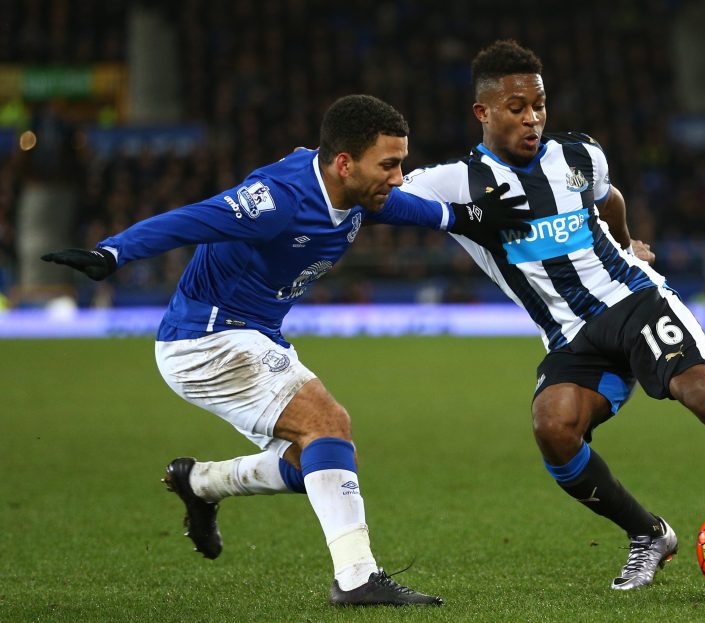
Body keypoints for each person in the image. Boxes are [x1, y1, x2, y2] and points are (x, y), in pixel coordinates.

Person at [397, 40, 705, 589]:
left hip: (634, 301)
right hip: (571, 336)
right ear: (482, 112)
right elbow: (383, 195)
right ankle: (649, 533)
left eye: (540, 105)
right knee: (553, 428)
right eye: (517, 107)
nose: (533, 119)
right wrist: (458, 214)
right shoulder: (455, 181)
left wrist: (627, 247)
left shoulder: (577, 157)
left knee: (703, 393)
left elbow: (610, 197)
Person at [42, 94, 529, 607]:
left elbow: (398, 206)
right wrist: (112, 252)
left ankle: (203, 482)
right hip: (206, 339)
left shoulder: (354, 192)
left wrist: (461, 217)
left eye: (401, 163)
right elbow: (190, 219)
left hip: (253, 335)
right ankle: (357, 578)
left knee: (317, 461)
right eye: (389, 164)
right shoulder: (277, 201)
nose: (400, 176)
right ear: (344, 164)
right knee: (328, 422)